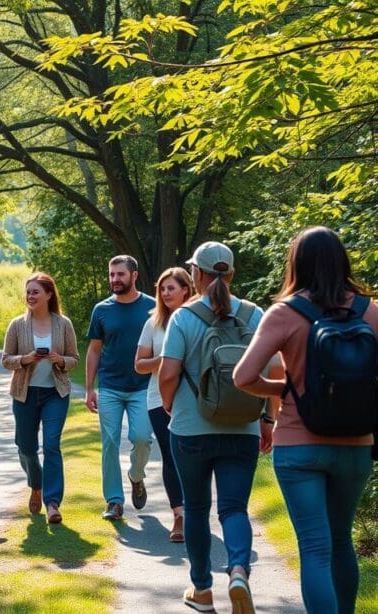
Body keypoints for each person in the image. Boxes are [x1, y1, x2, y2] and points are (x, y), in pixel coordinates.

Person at [234, 227, 376, 614]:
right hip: (357, 445)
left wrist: (282, 389)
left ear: (295, 262)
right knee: (341, 540)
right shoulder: (371, 311)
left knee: (315, 547)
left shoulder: (286, 313)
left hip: (299, 445)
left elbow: (243, 377)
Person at [158, 242, 267, 614]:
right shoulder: (255, 316)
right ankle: (238, 571)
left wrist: (171, 407)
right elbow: (276, 373)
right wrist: (267, 420)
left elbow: (168, 373)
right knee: (234, 508)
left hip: (191, 429)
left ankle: (202, 590)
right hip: (244, 428)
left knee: (196, 508)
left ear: (197, 275)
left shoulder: (184, 317)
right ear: (231, 274)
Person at [2, 272, 79, 524]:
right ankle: (36, 484)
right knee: (25, 447)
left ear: (48, 294)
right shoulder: (17, 325)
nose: (30, 296)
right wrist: (26, 359)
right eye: (28, 292)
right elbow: (6, 360)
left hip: (55, 393)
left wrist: (60, 360)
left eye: (35, 291)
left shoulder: (63, 324)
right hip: (24, 394)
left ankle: (52, 502)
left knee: (52, 445)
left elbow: (74, 359)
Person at [86, 255, 156, 521]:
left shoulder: (152, 307)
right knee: (110, 443)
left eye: (120, 275)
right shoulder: (101, 310)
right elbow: (94, 350)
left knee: (141, 438)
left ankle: (136, 476)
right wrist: (90, 388)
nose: (115, 279)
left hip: (143, 387)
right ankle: (114, 501)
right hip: (110, 387)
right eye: (112, 274)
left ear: (134, 275)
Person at [134, 267, 195, 542]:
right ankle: (179, 515)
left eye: (172, 288)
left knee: (193, 457)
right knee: (171, 456)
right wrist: (166, 359)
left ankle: (196, 510)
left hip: (194, 399)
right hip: (159, 399)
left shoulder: (199, 319)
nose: (166, 293)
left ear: (186, 289)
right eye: (162, 288)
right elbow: (139, 365)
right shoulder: (153, 323)